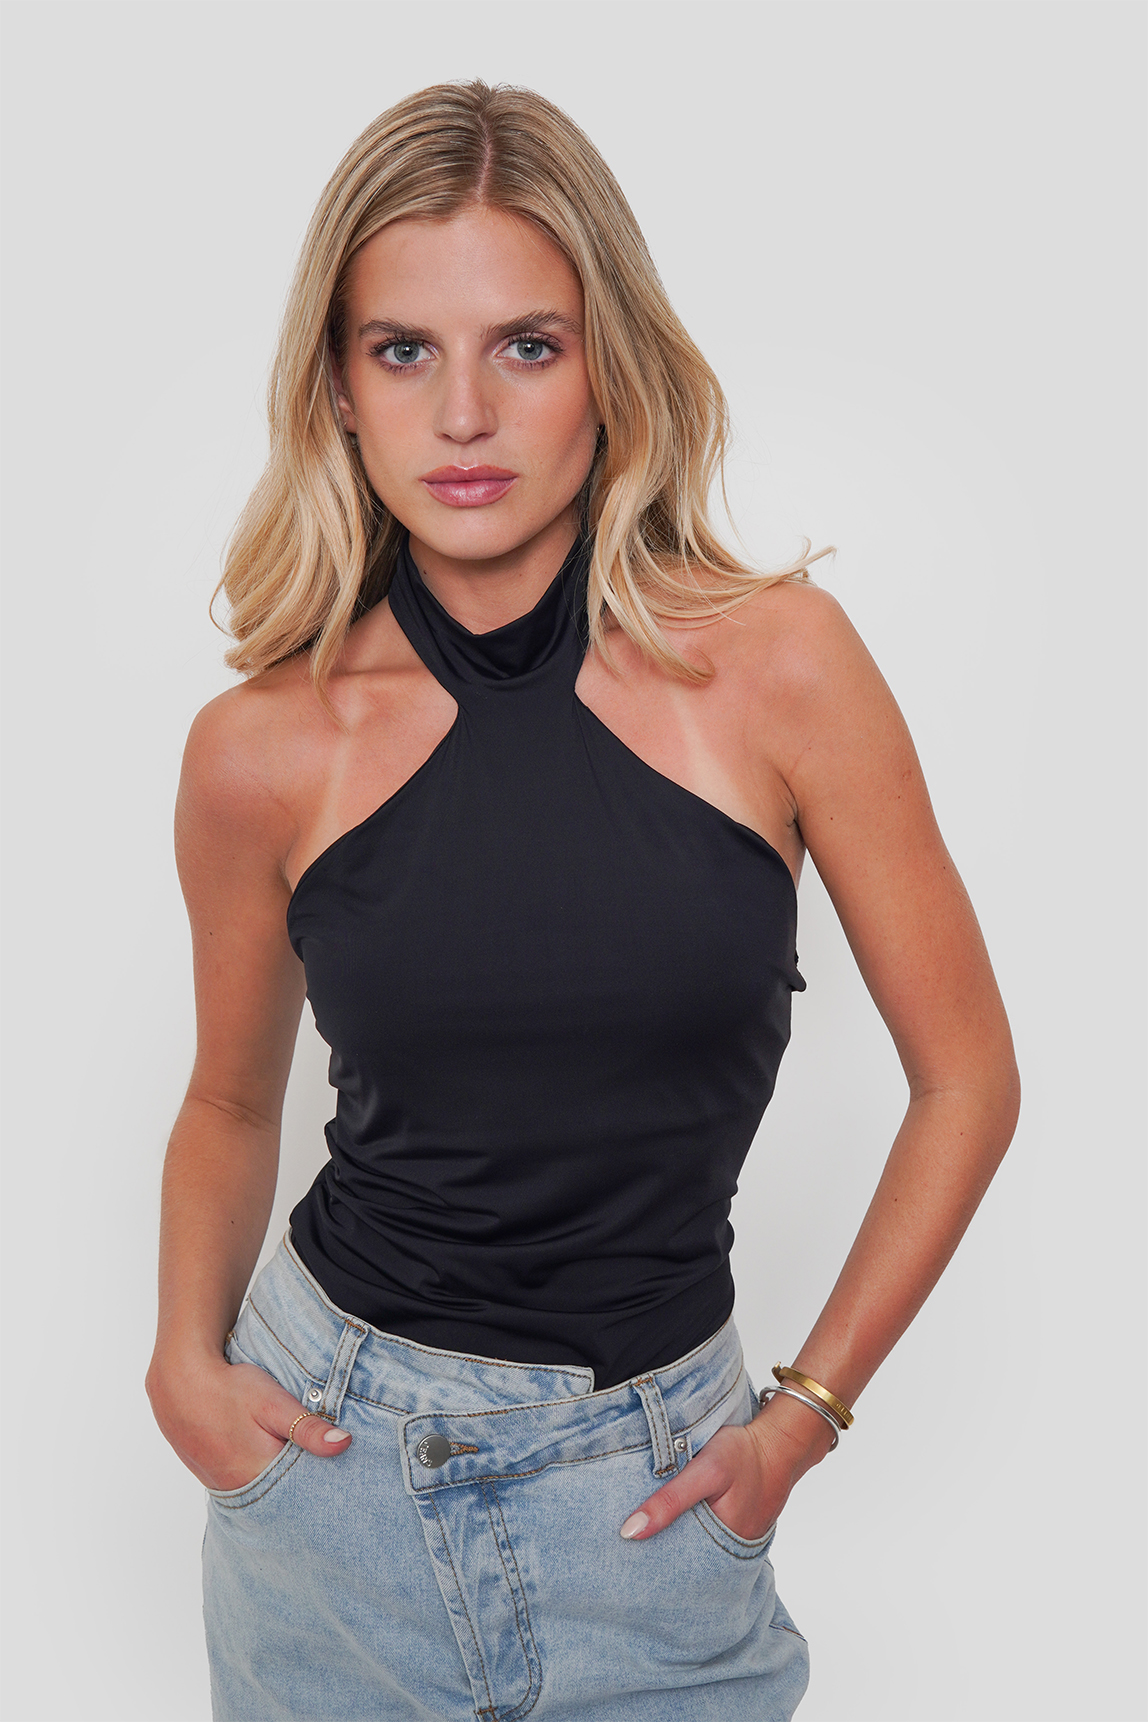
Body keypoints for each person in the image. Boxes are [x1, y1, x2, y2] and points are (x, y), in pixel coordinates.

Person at [146, 79, 1020, 1721]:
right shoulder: (260, 748)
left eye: (527, 346)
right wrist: (185, 1361)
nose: (464, 413)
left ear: (609, 364)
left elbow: (967, 1078)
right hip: (327, 1485)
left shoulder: (780, 669)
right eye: (403, 349)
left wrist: (805, 1416)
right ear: (336, 387)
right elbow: (228, 1098)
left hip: (659, 1497)